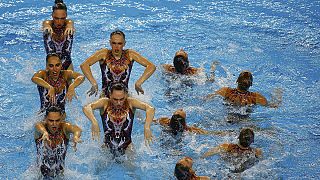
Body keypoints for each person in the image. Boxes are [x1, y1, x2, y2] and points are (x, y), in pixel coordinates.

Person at [83, 83, 155, 156]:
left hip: (127, 148)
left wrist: (147, 127)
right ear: (110, 95)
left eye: (121, 99)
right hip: (107, 148)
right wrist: (94, 122)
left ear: (126, 95)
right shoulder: (105, 102)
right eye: (115, 99)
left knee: (131, 166)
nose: (119, 103)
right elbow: (87, 107)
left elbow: (150, 108)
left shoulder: (130, 102)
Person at [80, 30, 156, 97]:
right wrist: (93, 83)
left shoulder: (130, 54)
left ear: (124, 43)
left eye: (119, 43)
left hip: (124, 95)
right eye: (114, 43)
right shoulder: (104, 53)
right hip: (106, 96)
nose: (116, 47)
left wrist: (139, 82)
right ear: (110, 43)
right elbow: (84, 65)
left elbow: (151, 66)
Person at [34, 106, 82, 179]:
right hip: (40, 175)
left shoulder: (64, 128)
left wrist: (75, 136)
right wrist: (44, 133)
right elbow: (37, 126)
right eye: (51, 120)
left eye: (57, 120)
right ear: (46, 119)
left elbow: (77, 129)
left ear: (61, 119)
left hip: (59, 175)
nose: (54, 124)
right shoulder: (41, 129)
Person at [205, 70, 282, 107]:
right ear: (251, 84)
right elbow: (273, 106)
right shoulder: (256, 97)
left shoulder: (225, 91)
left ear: (237, 81)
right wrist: (278, 95)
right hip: (245, 122)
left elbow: (207, 98)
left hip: (228, 120)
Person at [43, 0, 75, 70]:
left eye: (62, 18)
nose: (59, 22)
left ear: (66, 16)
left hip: (67, 63)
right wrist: (47, 27)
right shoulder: (47, 23)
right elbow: (46, 24)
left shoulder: (69, 23)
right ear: (52, 15)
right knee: (47, 32)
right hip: (51, 65)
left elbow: (70, 23)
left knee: (69, 32)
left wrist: (70, 26)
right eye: (56, 18)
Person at [154, 109, 228, 136]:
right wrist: (221, 133)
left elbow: (152, 121)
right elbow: (206, 132)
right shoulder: (188, 129)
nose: (181, 108)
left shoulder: (164, 121)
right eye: (181, 111)